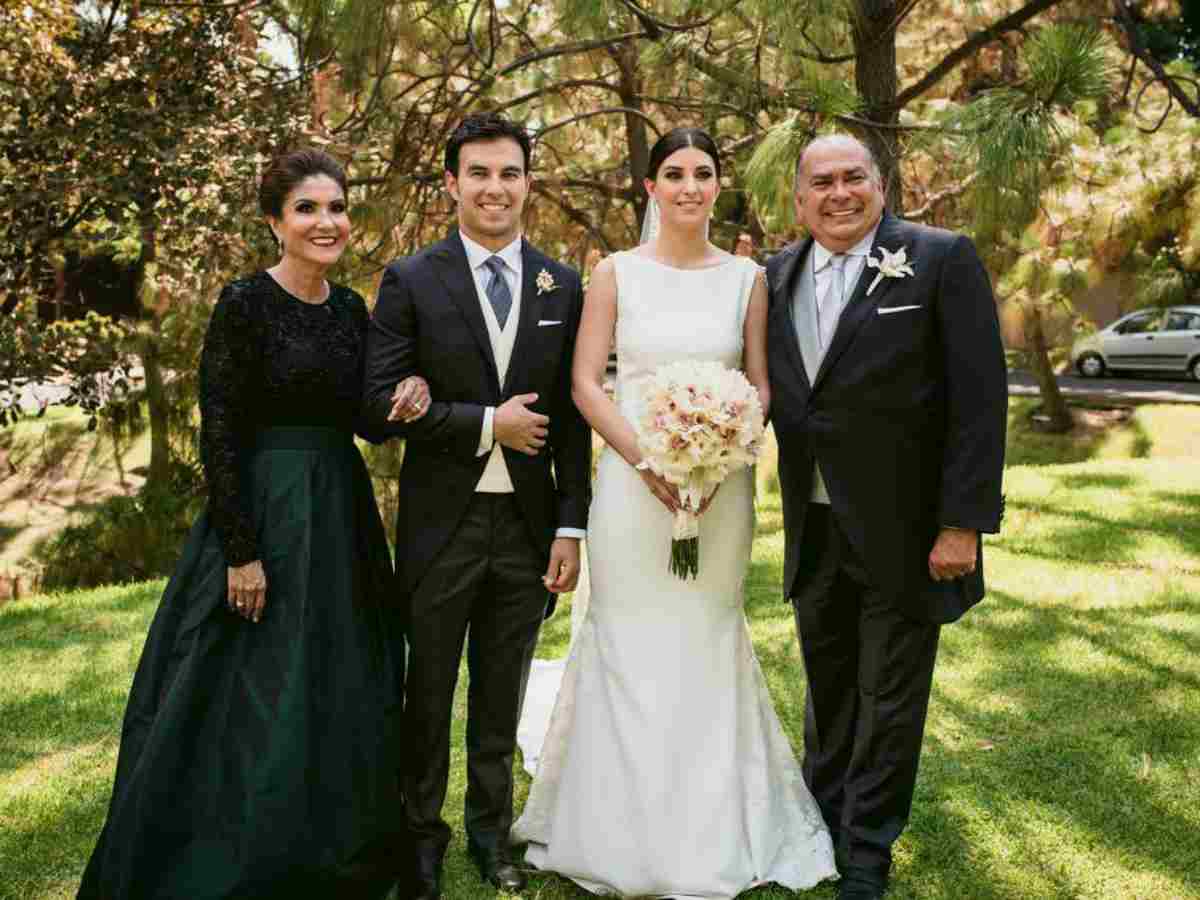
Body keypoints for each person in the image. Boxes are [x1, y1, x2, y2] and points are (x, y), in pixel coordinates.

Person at [78, 149, 419, 900]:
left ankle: (326, 844)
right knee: (247, 686)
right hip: (263, 507)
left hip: (339, 513)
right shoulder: (244, 303)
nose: (326, 222)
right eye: (307, 209)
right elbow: (220, 430)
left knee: (338, 678)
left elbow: (364, 421)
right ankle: (233, 847)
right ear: (276, 221)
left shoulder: (349, 309)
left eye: (336, 208)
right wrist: (241, 550)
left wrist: (405, 400)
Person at [511, 126, 837, 898]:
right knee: (628, 636)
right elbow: (588, 385)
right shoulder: (615, 273)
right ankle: (619, 824)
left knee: (705, 633)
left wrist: (723, 453)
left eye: (702, 173)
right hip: (632, 488)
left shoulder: (747, 280)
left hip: (720, 490)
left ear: (718, 186)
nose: (689, 187)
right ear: (650, 188)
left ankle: (717, 822)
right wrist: (651, 461)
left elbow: (758, 383)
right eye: (673, 174)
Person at [766, 134, 1007, 900]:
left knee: (891, 698)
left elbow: (980, 400)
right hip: (814, 524)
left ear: (880, 183)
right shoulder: (773, 277)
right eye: (822, 183)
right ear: (799, 199)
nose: (839, 194)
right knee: (828, 690)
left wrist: (962, 523)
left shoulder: (939, 260)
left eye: (853, 178)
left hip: (909, 532)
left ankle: (867, 854)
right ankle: (822, 829)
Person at [362, 112, 592, 899]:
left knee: (502, 695)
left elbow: (571, 419)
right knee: (425, 693)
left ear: (529, 183)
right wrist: (487, 423)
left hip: (528, 533)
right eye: (480, 174)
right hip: (441, 525)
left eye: (510, 174)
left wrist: (570, 523)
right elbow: (380, 402)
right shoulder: (411, 278)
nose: (495, 189)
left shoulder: (565, 283)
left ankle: (492, 836)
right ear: (452, 182)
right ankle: (420, 839)